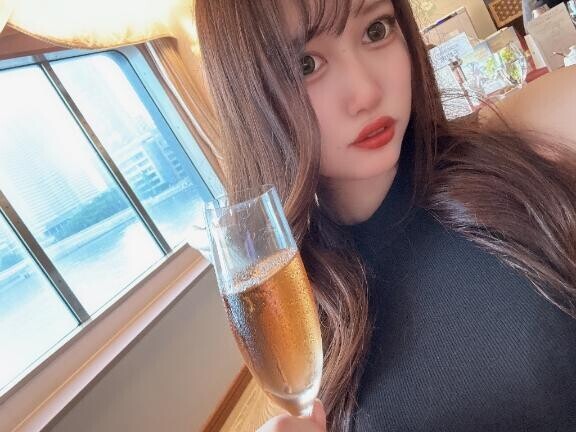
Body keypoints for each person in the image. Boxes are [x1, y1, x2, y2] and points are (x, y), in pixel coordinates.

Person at [194, 0, 576, 431]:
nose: (366, 93)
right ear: (249, 99)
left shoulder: (526, 139)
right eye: (306, 65)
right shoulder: (293, 309)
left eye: (376, 31)